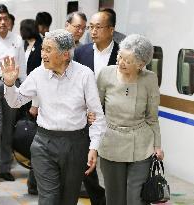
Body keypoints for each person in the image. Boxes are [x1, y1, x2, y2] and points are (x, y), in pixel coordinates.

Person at [1, 29, 106, 205]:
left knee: (68, 199)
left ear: (65, 54)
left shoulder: (84, 74)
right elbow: (15, 101)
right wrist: (10, 84)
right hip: (44, 143)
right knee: (48, 199)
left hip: (75, 144)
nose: (43, 54)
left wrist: (94, 147)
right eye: (43, 49)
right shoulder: (38, 74)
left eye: (48, 50)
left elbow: (97, 115)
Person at [96, 34, 164, 205]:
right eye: (120, 57)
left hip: (141, 144)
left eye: (128, 60)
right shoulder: (106, 74)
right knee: (115, 198)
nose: (121, 62)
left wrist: (157, 146)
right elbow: (96, 109)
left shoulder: (150, 79)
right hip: (111, 141)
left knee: (136, 198)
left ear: (141, 65)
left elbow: (152, 117)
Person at [74, 10, 120, 205]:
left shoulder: (122, 54)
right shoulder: (81, 52)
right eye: (90, 27)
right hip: (88, 117)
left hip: (115, 118)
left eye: (97, 27)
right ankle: (99, 200)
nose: (92, 31)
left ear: (111, 30)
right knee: (87, 164)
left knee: (113, 165)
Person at [0, 4, 26, 185]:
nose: (3, 22)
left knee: (8, 128)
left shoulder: (17, 40)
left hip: (12, 85)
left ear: (9, 20)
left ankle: (5, 168)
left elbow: (22, 67)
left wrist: (24, 89)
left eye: (5, 18)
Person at [19, 18, 43, 195]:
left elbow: (38, 77)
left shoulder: (41, 45)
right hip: (25, 92)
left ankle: (34, 183)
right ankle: (33, 182)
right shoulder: (24, 45)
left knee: (36, 139)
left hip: (36, 96)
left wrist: (35, 103)